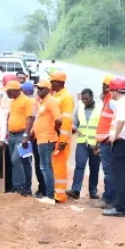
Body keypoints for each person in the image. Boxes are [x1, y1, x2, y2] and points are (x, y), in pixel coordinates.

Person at [103, 77, 125, 217]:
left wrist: (114, 136)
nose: (110, 93)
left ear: (115, 90)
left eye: (111, 90)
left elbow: (121, 121)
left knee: (119, 177)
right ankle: (122, 206)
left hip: (120, 142)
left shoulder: (121, 103)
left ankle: (120, 207)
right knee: (123, 176)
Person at [67, 88, 102, 200]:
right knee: (79, 166)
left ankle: (93, 191)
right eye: (83, 99)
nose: (85, 101)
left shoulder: (100, 109)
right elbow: (75, 123)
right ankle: (75, 190)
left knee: (94, 168)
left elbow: (103, 126)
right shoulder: (80, 108)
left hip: (95, 143)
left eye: (87, 99)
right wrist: (74, 128)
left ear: (92, 97)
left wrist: (100, 142)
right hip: (82, 142)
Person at [32, 80, 61, 205]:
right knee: (44, 166)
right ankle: (49, 194)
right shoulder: (42, 102)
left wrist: (53, 130)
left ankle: (50, 196)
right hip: (41, 138)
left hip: (47, 138)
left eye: (41, 88)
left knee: (45, 167)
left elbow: (58, 119)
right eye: (38, 88)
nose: (39, 91)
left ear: (48, 90)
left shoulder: (51, 101)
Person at [6, 80, 35, 196]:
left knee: (16, 160)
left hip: (22, 135)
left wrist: (25, 136)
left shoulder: (26, 101)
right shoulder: (12, 102)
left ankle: (21, 187)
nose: (7, 93)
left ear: (15, 90)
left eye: (8, 91)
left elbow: (30, 119)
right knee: (21, 162)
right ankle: (21, 187)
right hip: (12, 136)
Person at [50, 71, 75, 203]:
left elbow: (67, 120)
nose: (50, 84)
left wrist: (63, 141)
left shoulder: (66, 97)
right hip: (55, 136)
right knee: (54, 165)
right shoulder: (56, 95)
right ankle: (55, 192)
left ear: (58, 83)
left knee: (60, 166)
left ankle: (59, 195)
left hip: (61, 138)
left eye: (52, 82)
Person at [94, 74, 115, 208]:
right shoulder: (107, 100)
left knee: (109, 171)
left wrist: (108, 138)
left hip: (108, 141)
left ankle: (108, 198)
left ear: (107, 87)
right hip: (104, 140)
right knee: (108, 171)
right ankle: (109, 197)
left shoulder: (112, 102)